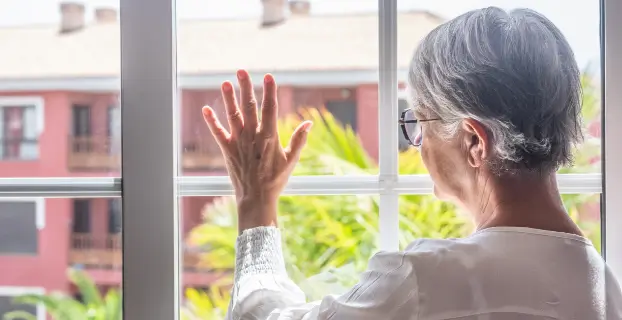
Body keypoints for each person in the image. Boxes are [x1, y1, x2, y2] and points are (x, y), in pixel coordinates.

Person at [201, 7, 622, 320]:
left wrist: (255, 207)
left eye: (418, 122)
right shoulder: (604, 287)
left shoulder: (426, 281)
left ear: (474, 141)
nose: (416, 144)